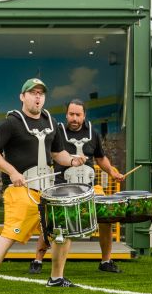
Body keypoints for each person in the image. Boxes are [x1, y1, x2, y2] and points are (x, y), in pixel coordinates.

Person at [0, 78, 79, 294]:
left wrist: (73, 160)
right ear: (23, 96)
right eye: (33, 93)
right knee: (10, 234)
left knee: (62, 231)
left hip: (47, 190)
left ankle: (56, 277)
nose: (38, 97)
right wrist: (11, 171)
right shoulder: (13, 123)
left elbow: (58, 154)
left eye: (41, 93)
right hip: (20, 189)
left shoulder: (51, 122)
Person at [28, 99, 128, 273]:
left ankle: (106, 261)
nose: (74, 118)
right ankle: (37, 260)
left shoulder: (93, 133)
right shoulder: (56, 132)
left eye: (78, 115)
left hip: (90, 186)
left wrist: (112, 172)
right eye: (71, 114)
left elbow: (100, 157)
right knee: (51, 221)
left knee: (106, 218)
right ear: (66, 114)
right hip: (62, 186)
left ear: (84, 115)